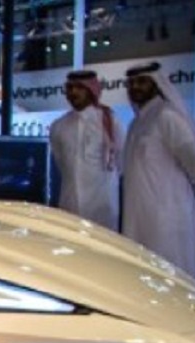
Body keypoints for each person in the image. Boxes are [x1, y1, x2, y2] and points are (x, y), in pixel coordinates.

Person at [121, 61, 195, 283]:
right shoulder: (136, 123)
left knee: (170, 272)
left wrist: (177, 197)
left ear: (157, 84)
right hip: (139, 213)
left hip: (166, 213)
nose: (135, 87)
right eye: (131, 83)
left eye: (142, 81)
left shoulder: (167, 116)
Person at [49, 69, 125, 231]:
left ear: (91, 90)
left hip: (102, 206)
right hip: (70, 205)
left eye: (79, 87)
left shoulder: (110, 121)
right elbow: (61, 163)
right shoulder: (59, 126)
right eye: (70, 88)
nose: (73, 92)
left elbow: (121, 161)